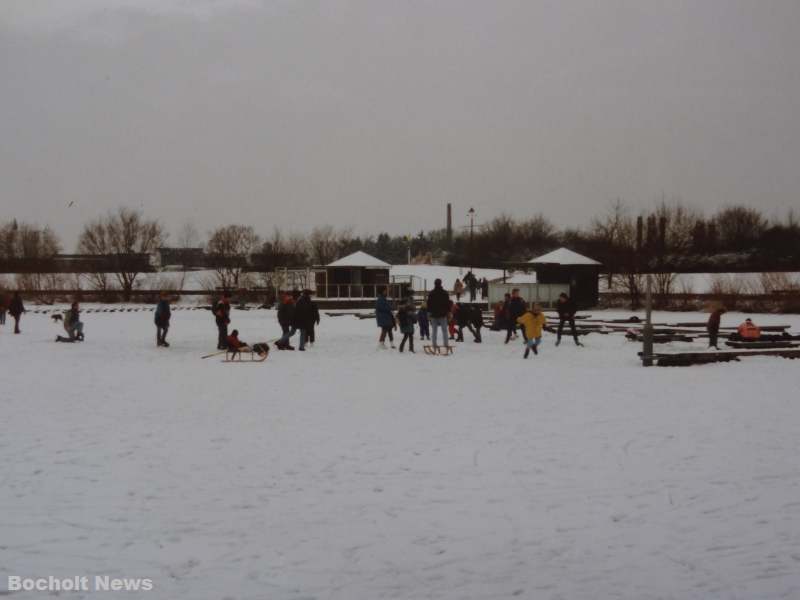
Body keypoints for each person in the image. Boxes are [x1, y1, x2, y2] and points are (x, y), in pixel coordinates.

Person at [426, 278, 451, 350]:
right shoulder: (445, 293)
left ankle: (434, 344)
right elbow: (448, 304)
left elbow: (428, 304)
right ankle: (446, 344)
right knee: (445, 331)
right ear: (441, 283)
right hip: (443, 315)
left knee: (434, 331)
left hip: (433, 315)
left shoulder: (431, 293)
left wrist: (428, 313)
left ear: (434, 284)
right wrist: (448, 312)